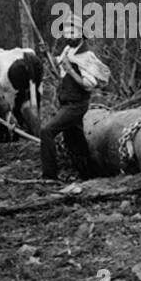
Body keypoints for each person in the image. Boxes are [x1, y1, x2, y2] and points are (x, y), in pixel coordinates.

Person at [40, 28, 96, 182]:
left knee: (46, 131)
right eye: (66, 33)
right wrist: (47, 54)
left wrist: (71, 70)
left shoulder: (87, 56)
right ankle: (90, 174)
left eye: (72, 33)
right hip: (66, 103)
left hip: (76, 104)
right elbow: (57, 66)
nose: (68, 36)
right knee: (75, 141)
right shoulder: (68, 50)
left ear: (81, 34)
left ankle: (49, 176)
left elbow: (89, 85)